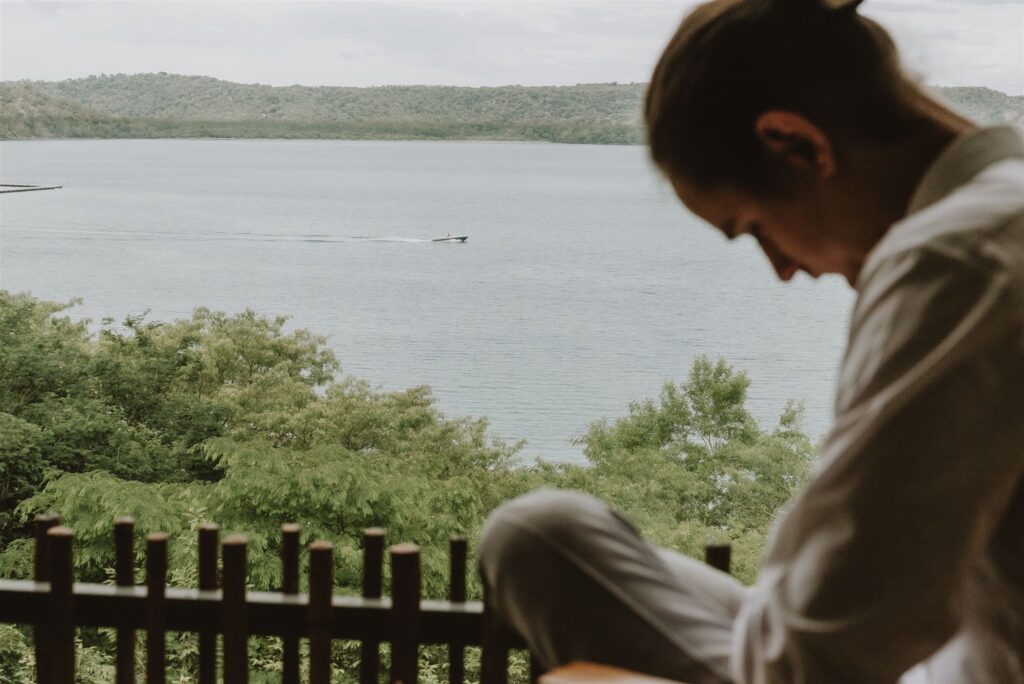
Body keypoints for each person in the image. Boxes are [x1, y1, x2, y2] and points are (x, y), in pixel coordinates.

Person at [477, 0, 1024, 682]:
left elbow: (822, 659)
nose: (785, 270)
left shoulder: (960, 260)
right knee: (541, 537)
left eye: (755, 228)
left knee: (537, 552)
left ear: (796, 145)